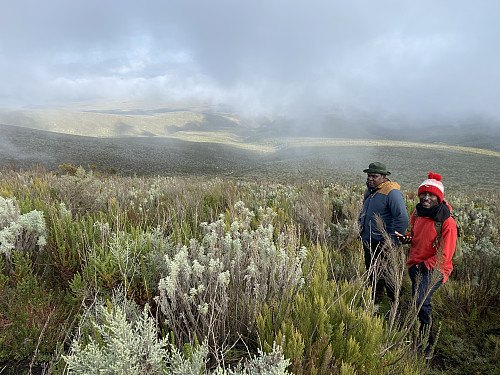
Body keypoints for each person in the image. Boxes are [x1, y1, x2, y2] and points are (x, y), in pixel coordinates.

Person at [396, 172, 457, 356]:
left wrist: (424, 265)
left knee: (422, 301)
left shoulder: (447, 222)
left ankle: (427, 344)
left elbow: (445, 255)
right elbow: (415, 234)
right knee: (417, 300)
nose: (426, 198)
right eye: (424, 194)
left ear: (439, 197)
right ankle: (418, 334)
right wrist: (408, 239)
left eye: (431, 195)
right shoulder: (418, 212)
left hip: (436, 269)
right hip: (415, 265)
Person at [359, 162, 409, 303]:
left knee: (388, 273)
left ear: (384, 177)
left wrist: (392, 240)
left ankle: (395, 302)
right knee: (372, 271)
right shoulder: (371, 190)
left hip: (383, 242)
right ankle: (377, 300)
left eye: (374, 176)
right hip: (369, 240)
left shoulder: (391, 192)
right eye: (369, 176)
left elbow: (402, 217)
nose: (370, 179)